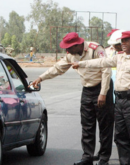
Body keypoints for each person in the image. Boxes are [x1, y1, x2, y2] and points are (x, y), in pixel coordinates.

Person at [30, 32, 114, 165]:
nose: (66, 50)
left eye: (68, 47)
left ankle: (104, 158)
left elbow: (106, 70)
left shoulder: (95, 49)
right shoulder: (71, 55)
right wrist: (41, 78)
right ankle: (87, 157)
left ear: (77, 44)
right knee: (87, 125)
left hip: (102, 88)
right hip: (87, 90)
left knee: (105, 126)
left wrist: (103, 93)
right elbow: (58, 68)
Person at [72, 31, 130, 165]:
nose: (123, 44)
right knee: (121, 138)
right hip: (119, 101)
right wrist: (81, 64)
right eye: (122, 41)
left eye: (126, 41)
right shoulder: (119, 57)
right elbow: (101, 62)